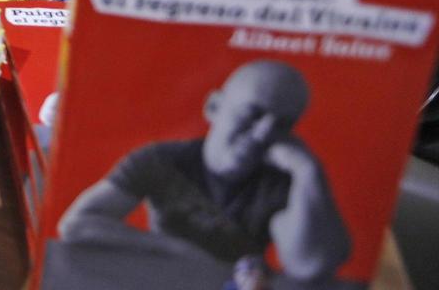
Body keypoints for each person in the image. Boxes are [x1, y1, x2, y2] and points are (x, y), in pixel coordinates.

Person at [58, 61, 351, 283]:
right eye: (253, 114)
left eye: (282, 124)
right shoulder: (162, 159)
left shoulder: (286, 182)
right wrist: (176, 249)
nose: (263, 133)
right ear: (214, 107)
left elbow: (309, 266)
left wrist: (308, 172)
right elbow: (77, 224)